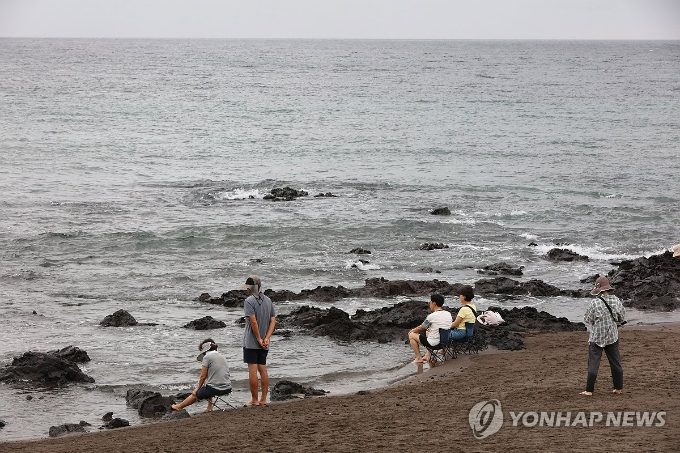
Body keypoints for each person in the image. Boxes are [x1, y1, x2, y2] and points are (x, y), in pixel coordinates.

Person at [580, 276, 625, 396]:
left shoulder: (594, 302)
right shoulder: (616, 300)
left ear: (598, 289)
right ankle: (618, 388)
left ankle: (589, 390)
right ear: (608, 288)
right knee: (616, 362)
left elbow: (588, 319)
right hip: (612, 335)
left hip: (597, 337)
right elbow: (621, 317)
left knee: (594, 363)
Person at [242, 274, 276, 406]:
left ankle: (255, 400)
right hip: (265, 342)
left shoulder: (249, 301)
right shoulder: (268, 300)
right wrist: (267, 338)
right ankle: (264, 399)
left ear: (252, 288)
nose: (246, 289)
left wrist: (258, 338)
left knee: (252, 370)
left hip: (252, 341)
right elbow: (273, 321)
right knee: (263, 369)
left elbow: (253, 321)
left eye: (248, 287)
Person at [171, 338, 232, 412]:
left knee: (195, 394)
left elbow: (202, 376)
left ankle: (179, 407)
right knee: (209, 383)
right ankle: (209, 406)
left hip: (215, 390)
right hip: (228, 389)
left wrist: (197, 388)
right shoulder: (221, 356)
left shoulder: (207, 357)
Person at [408, 294, 452, 364]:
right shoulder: (448, 314)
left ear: (434, 303)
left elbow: (421, 327)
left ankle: (419, 358)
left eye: (430, 302)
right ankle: (428, 355)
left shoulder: (431, 316)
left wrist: (412, 331)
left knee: (411, 335)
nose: (429, 304)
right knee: (428, 331)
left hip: (435, 344)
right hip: (445, 342)